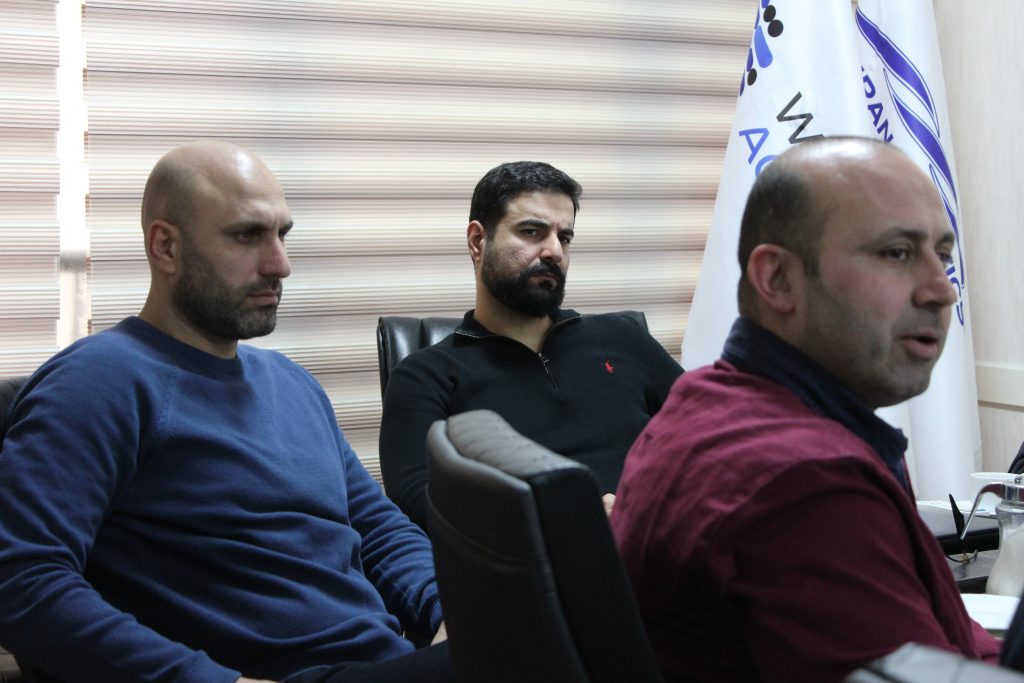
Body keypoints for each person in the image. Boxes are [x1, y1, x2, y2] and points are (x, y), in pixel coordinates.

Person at [0, 141, 453, 683]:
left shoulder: (292, 383)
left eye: (282, 234)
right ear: (166, 247)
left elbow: (377, 530)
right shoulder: (97, 381)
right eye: (246, 235)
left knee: (531, 626)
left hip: (388, 662)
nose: (280, 264)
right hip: (278, 676)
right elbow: (22, 578)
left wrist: (449, 611)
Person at [610, 137, 1000, 682]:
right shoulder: (807, 482)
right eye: (897, 253)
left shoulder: (713, 399)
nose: (942, 290)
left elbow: (938, 638)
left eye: (943, 255)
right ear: (777, 279)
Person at [379, 160, 683, 530]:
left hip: (667, 541)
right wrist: (574, 520)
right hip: (543, 559)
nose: (554, 251)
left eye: (564, 237)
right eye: (532, 232)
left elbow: (709, 429)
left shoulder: (621, 337)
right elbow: (421, 505)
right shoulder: (427, 377)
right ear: (478, 241)